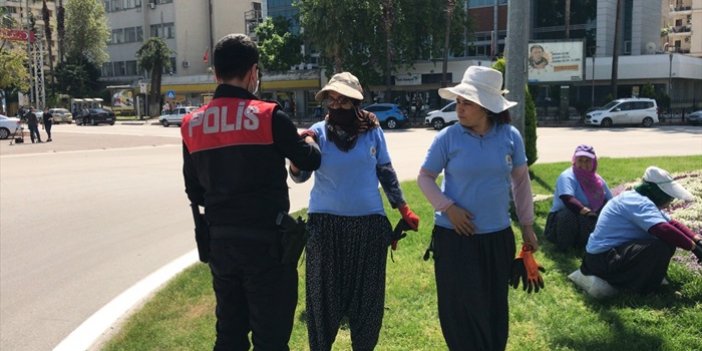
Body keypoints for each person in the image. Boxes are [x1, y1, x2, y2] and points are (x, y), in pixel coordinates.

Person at [180, 33, 322, 351]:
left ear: (216, 73)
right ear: (253, 72)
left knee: (229, 336)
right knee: (270, 339)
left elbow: (195, 191)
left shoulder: (192, 123)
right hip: (267, 247)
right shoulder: (268, 116)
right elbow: (309, 159)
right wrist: (309, 138)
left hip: (220, 245)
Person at [289, 72, 420, 351]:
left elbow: (386, 172)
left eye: (343, 101)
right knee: (323, 300)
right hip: (325, 228)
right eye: (331, 100)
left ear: (355, 103)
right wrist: (297, 161)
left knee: (367, 300)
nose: (336, 106)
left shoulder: (373, 131)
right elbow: (299, 177)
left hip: (369, 227)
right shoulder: (317, 133)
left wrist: (403, 207)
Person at [417, 65, 538, 351]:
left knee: (493, 306)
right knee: (459, 310)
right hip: (454, 239)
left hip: (497, 238)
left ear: (487, 107)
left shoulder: (510, 136)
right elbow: (425, 178)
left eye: (466, 102)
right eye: (458, 101)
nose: (459, 108)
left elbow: (521, 183)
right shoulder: (447, 137)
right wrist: (448, 208)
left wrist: (528, 226)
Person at [581, 166, 702, 294]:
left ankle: (650, 280)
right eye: (669, 196)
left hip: (607, 256)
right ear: (657, 192)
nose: (670, 201)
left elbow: (671, 223)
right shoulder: (636, 202)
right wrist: (693, 248)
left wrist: (697, 240)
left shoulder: (640, 199)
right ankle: (639, 288)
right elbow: (663, 229)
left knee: (669, 240)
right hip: (601, 260)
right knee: (659, 246)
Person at [544, 145, 613, 251]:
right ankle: (564, 247)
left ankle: (585, 245)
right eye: (580, 160)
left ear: (594, 162)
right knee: (568, 214)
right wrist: (587, 213)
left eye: (588, 160)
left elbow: (610, 200)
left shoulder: (597, 179)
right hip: (561, 221)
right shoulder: (567, 176)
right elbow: (567, 199)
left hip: (588, 217)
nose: (584, 164)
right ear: (574, 160)